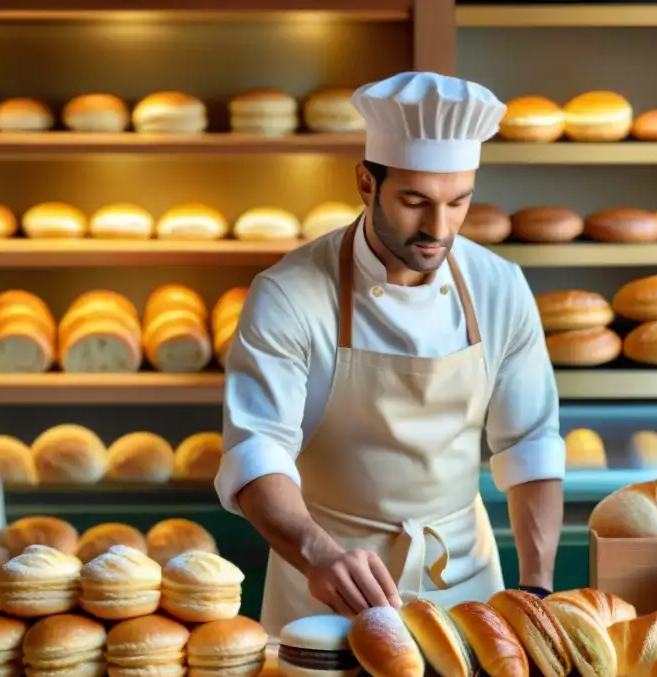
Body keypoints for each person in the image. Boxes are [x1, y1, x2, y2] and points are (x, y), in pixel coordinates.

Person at [215, 71, 565, 636]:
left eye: (458, 203)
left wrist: (536, 589)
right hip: (328, 586)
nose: (438, 228)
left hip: (468, 586)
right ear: (365, 181)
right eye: (414, 201)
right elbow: (257, 451)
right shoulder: (289, 293)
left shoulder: (499, 287)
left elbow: (529, 444)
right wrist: (317, 554)